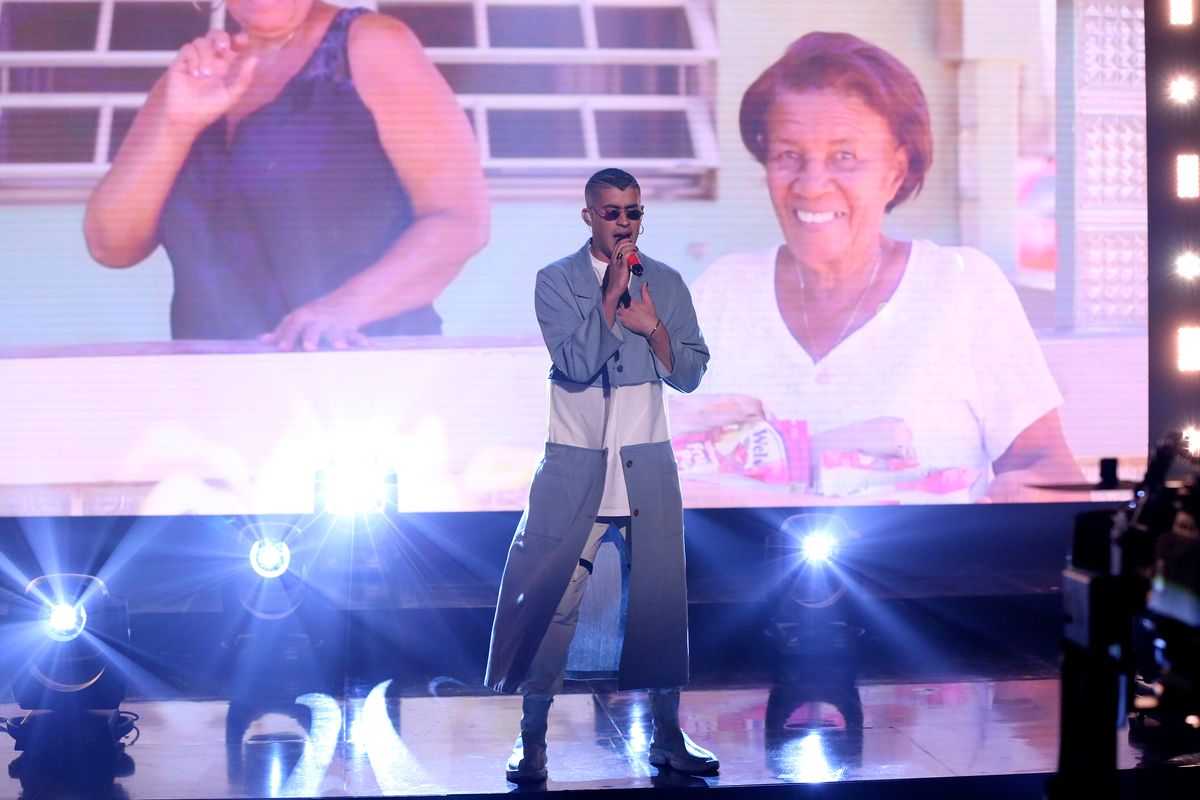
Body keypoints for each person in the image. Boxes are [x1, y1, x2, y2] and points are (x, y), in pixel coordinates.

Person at [682, 31, 1083, 502]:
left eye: (844, 156)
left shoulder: (962, 289)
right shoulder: (720, 294)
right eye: (789, 155)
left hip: (930, 574)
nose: (811, 185)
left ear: (895, 171)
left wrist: (1017, 502)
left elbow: (1049, 468)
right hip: (743, 575)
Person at [484, 168, 718, 783]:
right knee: (551, 607)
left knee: (660, 606)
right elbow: (578, 361)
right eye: (612, 212)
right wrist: (613, 298)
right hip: (576, 467)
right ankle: (532, 738)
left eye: (633, 212)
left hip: (646, 468)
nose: (624, 223)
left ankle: (667, 736)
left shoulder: (664, 283)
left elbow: (690, 371)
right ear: (588, 216)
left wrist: (655, 327)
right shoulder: (556, 281)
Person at [83, 0, 488, 350]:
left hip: (366, 389)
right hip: (213, 397)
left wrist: (342, 309)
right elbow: (111, 245)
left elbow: (459, 220)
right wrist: (177, 127)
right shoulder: (195, 78)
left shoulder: (371, 45)